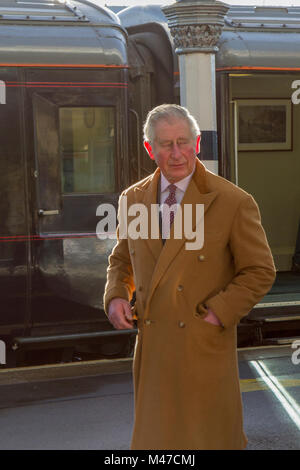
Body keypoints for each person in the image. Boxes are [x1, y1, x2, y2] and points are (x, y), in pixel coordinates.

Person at [103, 104, 276, 450]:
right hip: (153, 350)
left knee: (207, 439)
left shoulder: (232, 201)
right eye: (165, 144)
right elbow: (123, 260)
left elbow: (260, 270)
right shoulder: (133, 199)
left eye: (183, 141)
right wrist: (117, 295)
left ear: (196, 143)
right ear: (151, 149)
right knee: (158, 444)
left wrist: (217, 314)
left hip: (203, 344)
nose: (177, 153)